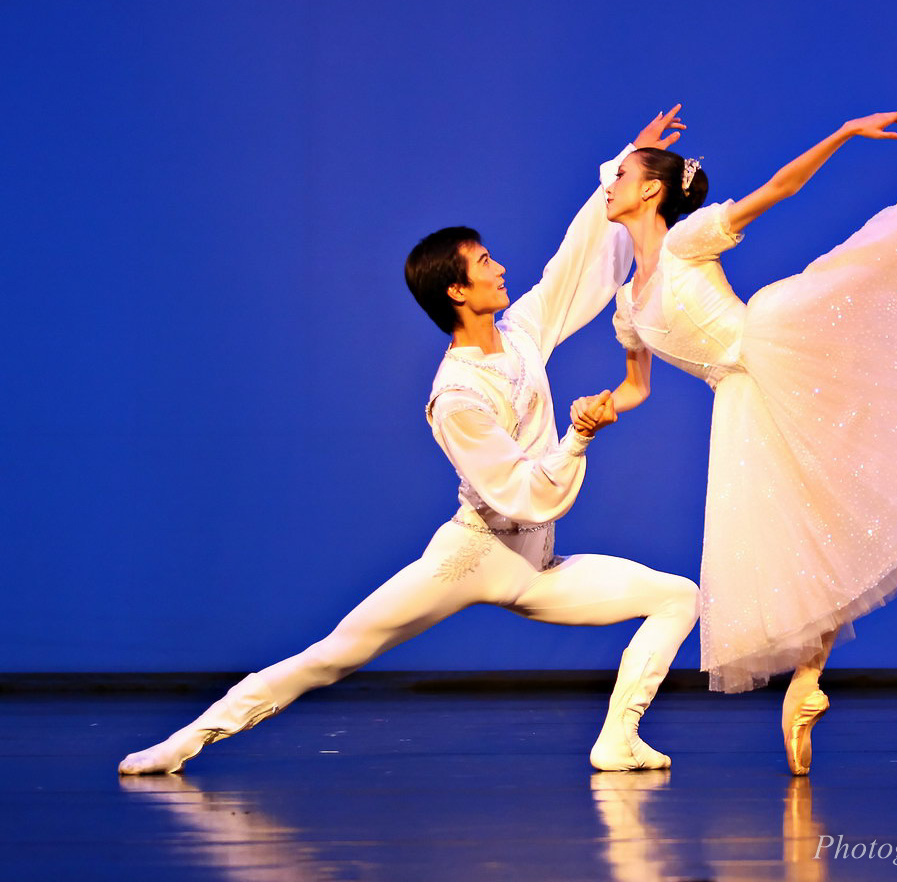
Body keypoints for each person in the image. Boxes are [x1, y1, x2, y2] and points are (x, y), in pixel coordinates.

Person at [118, 108, 700, 776]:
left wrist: (631, 164)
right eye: (485, 263)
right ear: (458, 290)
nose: (501, 266)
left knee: (676, 596)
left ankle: (617, 740)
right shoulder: (456, 396)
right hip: (474, 555)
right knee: (335, 654)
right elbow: (523, 493)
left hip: (537, 568)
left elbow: (579, 261)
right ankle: (186, 742)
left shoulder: (521, 334)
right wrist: (579, 434)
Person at [580, 28, 897, 774]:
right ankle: (808, 684)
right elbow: (637, 383)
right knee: (802, 538)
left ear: (650, 191)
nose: (608, 184)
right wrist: (604, 408)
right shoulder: (627, 305)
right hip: (742, 401)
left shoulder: (688, 243)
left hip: (779, 344)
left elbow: (778, 189)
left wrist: (845, 133)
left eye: (619, 174)